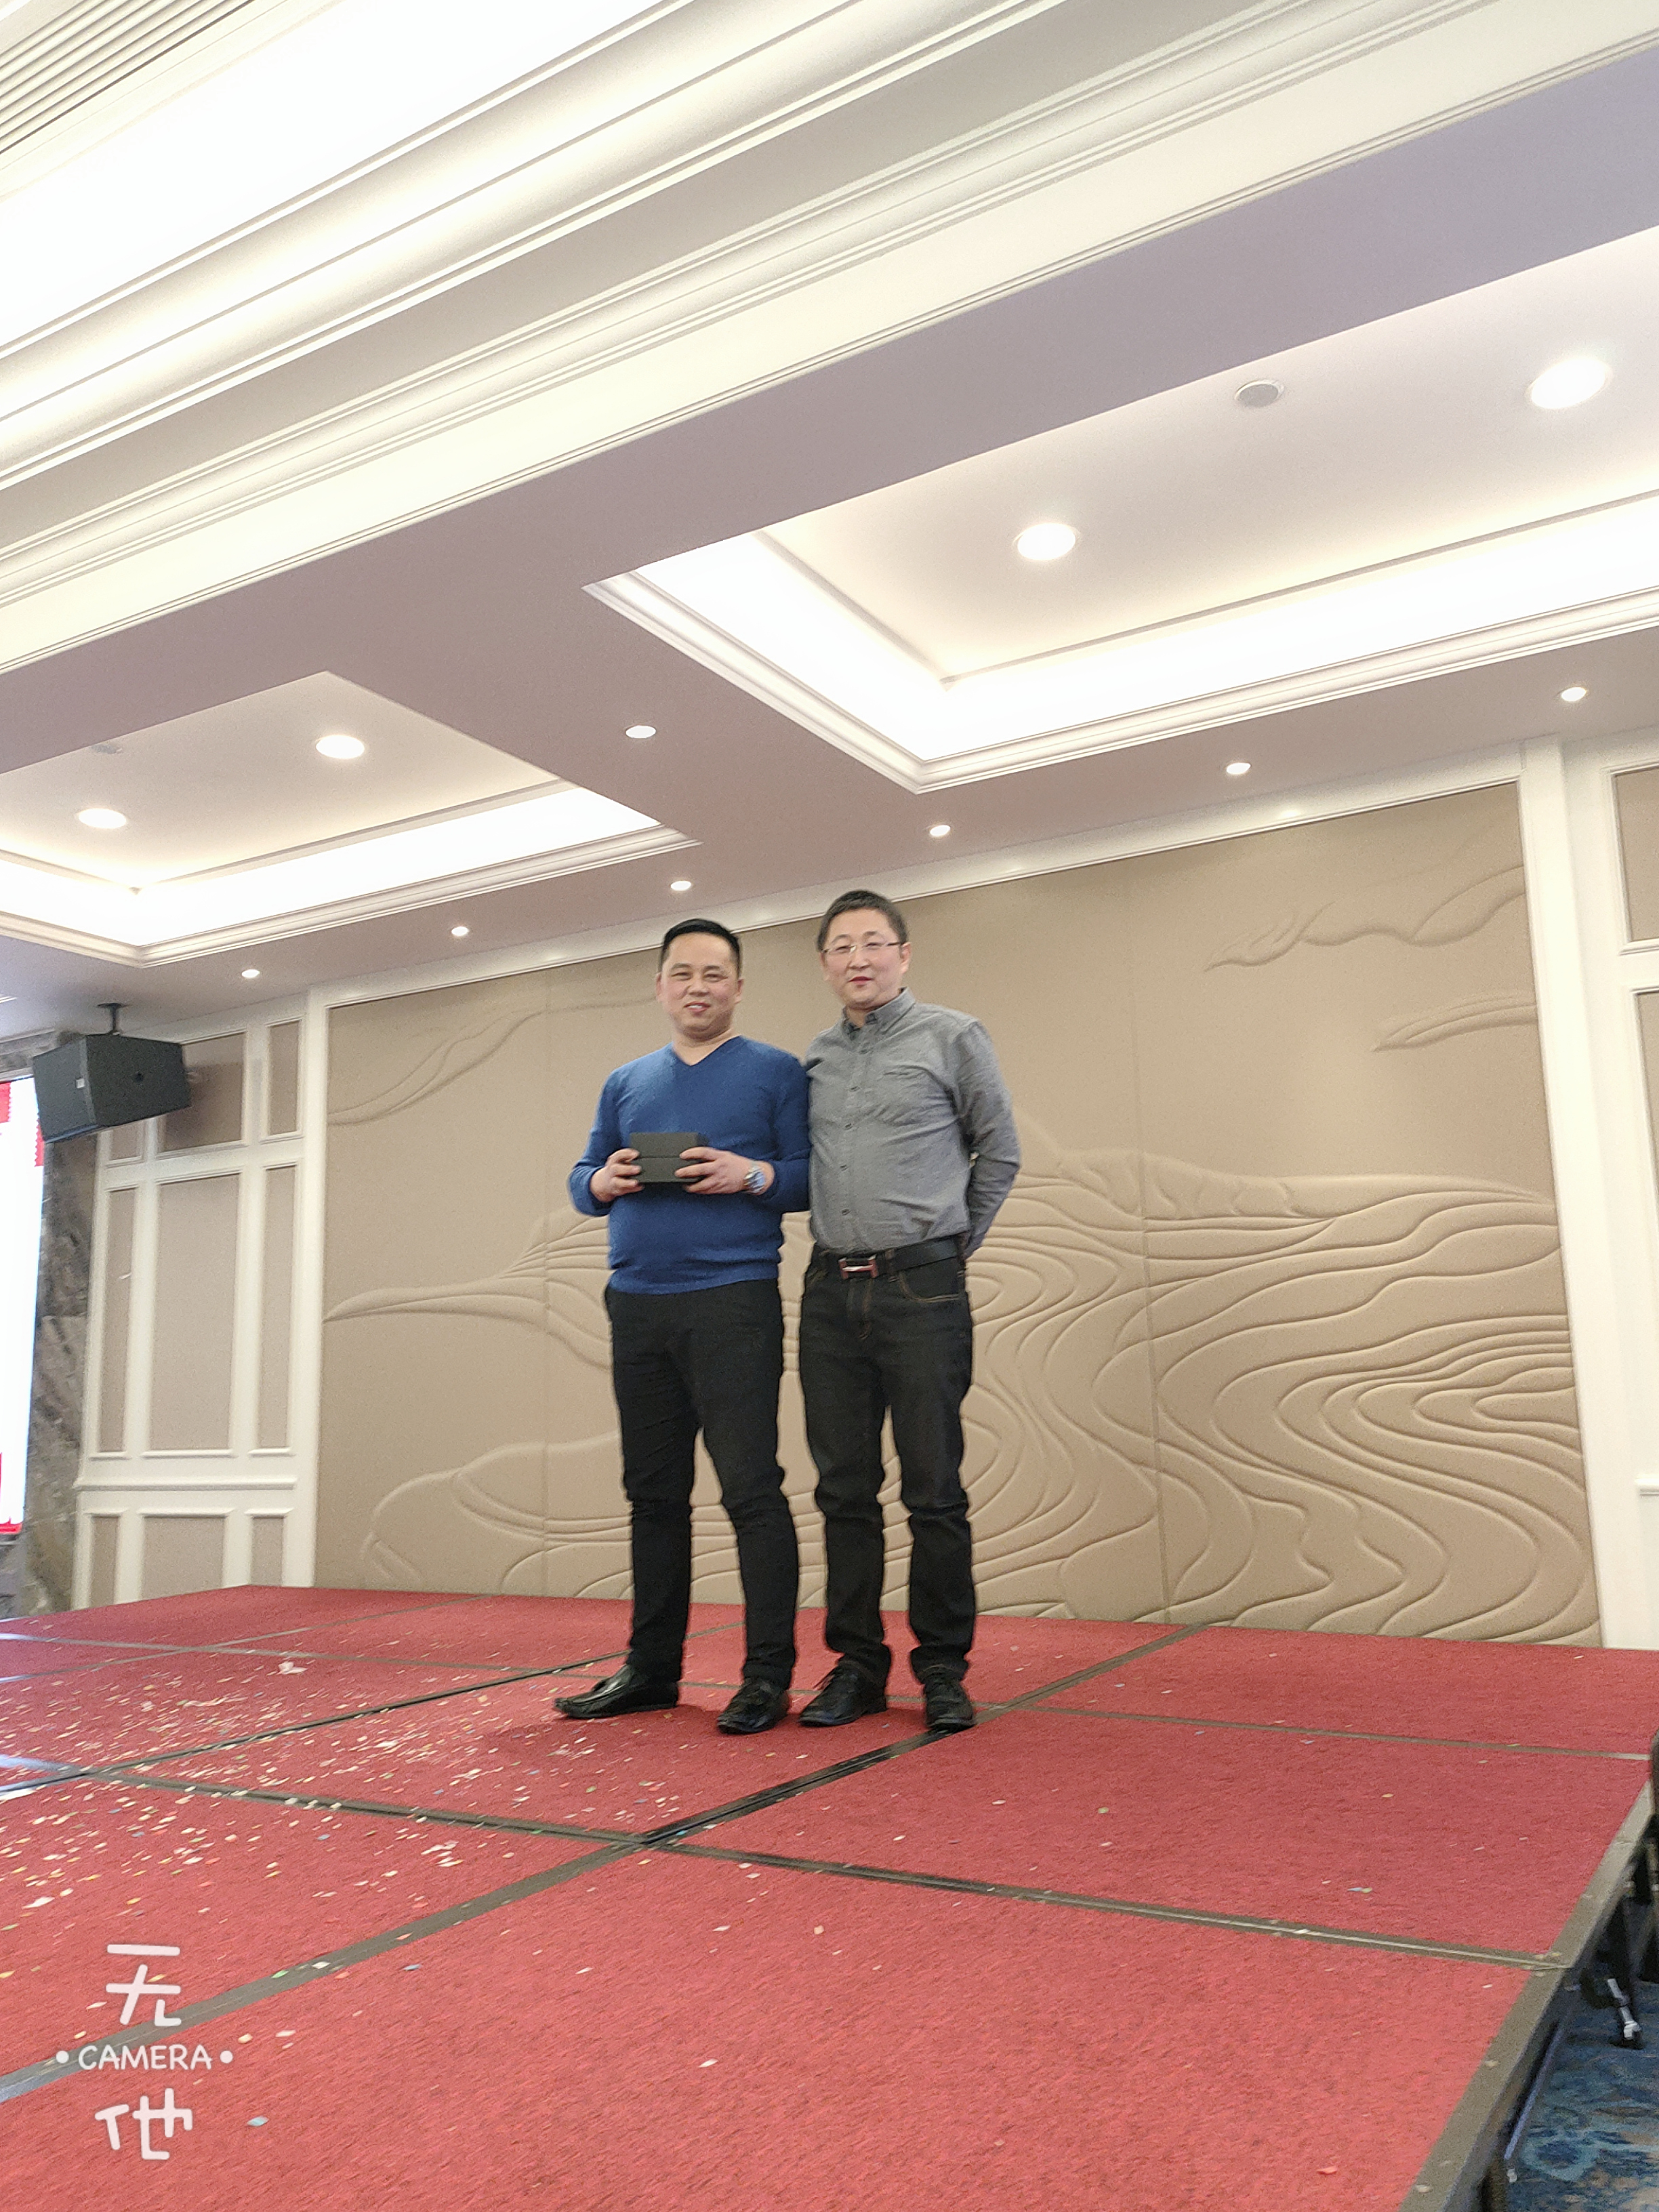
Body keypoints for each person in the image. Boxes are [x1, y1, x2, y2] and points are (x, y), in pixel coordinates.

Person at [556, 920, 809, 1735]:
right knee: (652, 1495)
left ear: (738, 987)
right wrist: (604, 1181)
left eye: (714, 973)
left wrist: (751, 1174)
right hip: (636, 1303)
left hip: (734, 1299)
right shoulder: (625, 1081)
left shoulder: (776, 1071)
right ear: (661, 987)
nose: (698, 987)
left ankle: (767, 1677)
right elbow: (580, 1177)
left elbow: (810, 1175)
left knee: (750, 1489)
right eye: (683, 974)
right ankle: (652, 1670)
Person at [797, 890, 1019, 1734]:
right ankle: (857, 1667)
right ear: (825, 964)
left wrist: (950, 1248)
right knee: (844, 1493)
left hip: (922, 1290)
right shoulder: (815, 1059)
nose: (859, 958)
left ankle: (942, 1670)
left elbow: (1000, 1151)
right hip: (829, 1295)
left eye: (874, 942)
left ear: (904, 953)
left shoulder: (953, 1036)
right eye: (841, 946)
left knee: (933, 1490)